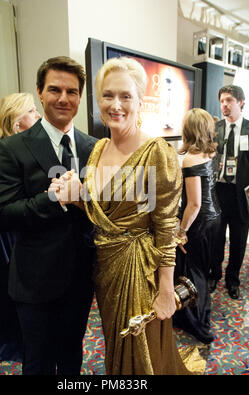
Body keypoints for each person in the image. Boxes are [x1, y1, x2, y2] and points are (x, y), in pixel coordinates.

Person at [50, 57, 205, 375]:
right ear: (98, 100)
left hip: (140, 272)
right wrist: (77, 195)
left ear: (139, 100)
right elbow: (102, 211)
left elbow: (165, 226)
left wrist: (165, 291)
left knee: (140, 349)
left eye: (125, 96)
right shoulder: (98, 149)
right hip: (105, 269)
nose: (115, 104)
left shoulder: (156, 152)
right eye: (107, 95)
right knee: (115, 342)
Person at [0, 56, 97, 375]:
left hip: (80, 279)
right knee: (37, 363)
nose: (64, 98)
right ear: (40, 92)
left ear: (80, 96)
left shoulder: (94, 147)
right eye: (55, 89)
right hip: (35, 282)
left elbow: (102, 210)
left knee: (71, 358)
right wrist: (53, 198)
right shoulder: (12, 149)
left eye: (72, 91)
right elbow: (2, 215)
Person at [0, 92, 40, 362]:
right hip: (10, 232)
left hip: (24, 228)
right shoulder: (1, 153)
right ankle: (12, 341)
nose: (38, 115)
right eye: (32, 111)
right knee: (13, 286)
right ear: (17, 121)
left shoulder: (25, 147)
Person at [172, 108, 221, 344]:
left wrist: (181, 231)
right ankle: (191, 316)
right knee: (199, 268)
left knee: (194, 272)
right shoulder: (210, 153)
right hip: (214, 219)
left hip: (199, 222)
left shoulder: (191, 159)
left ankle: (199, 323)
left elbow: (193, 204)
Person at [209, 85, 249, 299]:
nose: (224, 105)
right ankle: (214, 274)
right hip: (218, 193)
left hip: (242, 195)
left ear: (240, 102)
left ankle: (232, 279)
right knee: (216, 238)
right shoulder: (214, 128)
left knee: (238, 240)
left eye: (229, 101)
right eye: (222, 101)